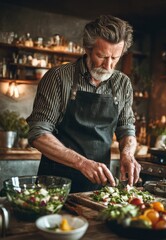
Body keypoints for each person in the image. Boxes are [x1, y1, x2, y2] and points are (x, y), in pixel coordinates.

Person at [27, 15, 141, 193]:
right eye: (101, 56)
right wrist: (82, 163)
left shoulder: (122, 83)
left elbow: (126, 128)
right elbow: (38, 133)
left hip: (97, 186)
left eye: (115, 58)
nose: (109, 66)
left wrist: (128, 154)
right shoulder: (58, 77)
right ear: (88, 49)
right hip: (54, 185)